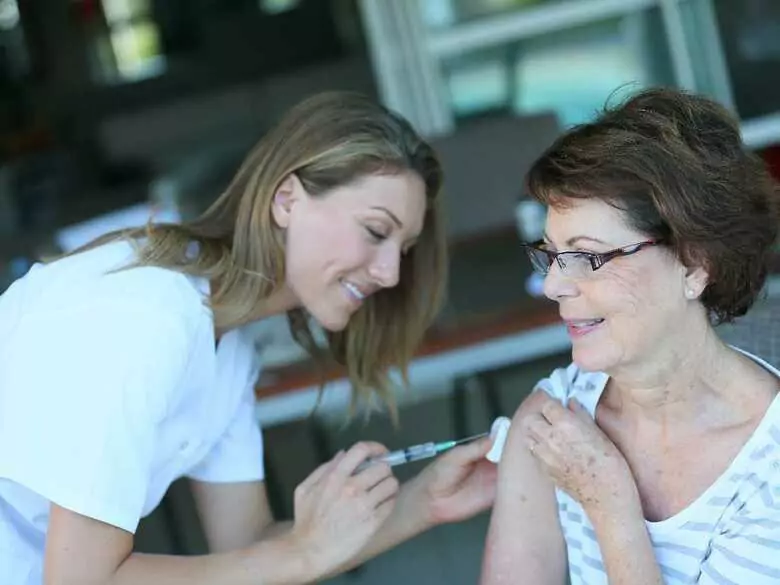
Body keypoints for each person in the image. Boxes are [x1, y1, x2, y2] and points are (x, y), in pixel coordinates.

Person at [0, 91, 498, 585]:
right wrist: (304, 553)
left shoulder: (228, 346)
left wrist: (425, 501)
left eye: (403, 249)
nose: (390, 273)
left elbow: (247, 546)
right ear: (287, 199)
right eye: (374, 231)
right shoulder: (150, 315)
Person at [480, 87, 780, 585]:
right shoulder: (556, 418)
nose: (553, 284)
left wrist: (611, 507)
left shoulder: (769, 468)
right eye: (551, 254)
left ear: (694, 263)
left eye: (588, 256)